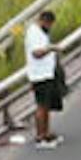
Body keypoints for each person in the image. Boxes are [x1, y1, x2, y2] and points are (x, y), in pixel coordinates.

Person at [22, 14, 65, 147]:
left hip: (47, 74)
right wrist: (51, 48)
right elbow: (36, 53)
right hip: (39, 75)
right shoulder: (34, 33)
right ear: (44, 21)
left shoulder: (41, 32)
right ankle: (40, 137)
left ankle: (46, 133)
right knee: (41, 106)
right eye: (49, 25)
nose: (50, 27)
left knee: (47, 105)